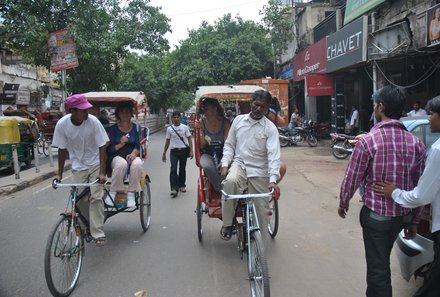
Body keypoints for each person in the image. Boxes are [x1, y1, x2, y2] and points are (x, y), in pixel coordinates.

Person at [338, 85, 426, 297]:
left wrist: (343, 202)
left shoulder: (368, 141)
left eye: (375, 105)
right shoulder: (416, 144)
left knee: (378, 271)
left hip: (376, 217)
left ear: (381, 107)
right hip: (402, 217)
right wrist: (414, 221)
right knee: (380, 262)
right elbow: (420, 187)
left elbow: (352, 177)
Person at [374, 95, 440, 297]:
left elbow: (422, 195)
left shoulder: (437, 151)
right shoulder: (420, 145)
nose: (429, 118)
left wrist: (394, 192)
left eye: (432, 114)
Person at [220, 90, 281, 241]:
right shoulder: (238, 121)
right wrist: (225, 164)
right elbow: (229, 145)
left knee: (262, 213)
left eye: (264, 107)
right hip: (239, 165)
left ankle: (260, 256)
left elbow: (274, 155)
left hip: (260, 170)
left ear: (267, 109)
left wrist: (273, 179)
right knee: (229, 183)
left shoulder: (270, 128)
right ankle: (227, 224)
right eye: (256, 104)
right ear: (251, 103)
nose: (259, 109)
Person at [52, 94, 109, 246]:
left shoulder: (93, 122)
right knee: (79, 199)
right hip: (78, 165)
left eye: (86, 110)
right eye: (83, 110)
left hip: (95, 163)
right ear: (73, 111)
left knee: (96, 196)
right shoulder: (62, 125)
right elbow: (62, 149)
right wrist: (59, 174)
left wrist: (102, 172)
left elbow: (102, 146)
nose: (86, 113)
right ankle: (84, 228)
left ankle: (98, 232)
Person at [105, 102, 143, 208]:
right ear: (118, 114)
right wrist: (121, 144)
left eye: (127, 112)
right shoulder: (112, 129)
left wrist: (133, 154)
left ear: (131, 113)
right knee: (121, 164)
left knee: (138, 164)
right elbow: (109, 149)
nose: (125, 114)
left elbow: (138, 145)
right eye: (122, 112)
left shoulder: (136, 128)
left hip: (131, 155)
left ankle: (131, 194)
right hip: (116, 156)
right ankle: (113, 193)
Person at [196, 98, 231, 192]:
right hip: (208, 153)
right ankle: (220, 190)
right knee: (206, 166)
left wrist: (224, 160)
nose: (204, 112)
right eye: (203, 109)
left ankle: (231, 187)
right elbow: (202, 144)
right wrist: (200, 130)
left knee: (230, 165)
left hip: (224, 152)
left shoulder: (226, 123)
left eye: (206, 109)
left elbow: (227, 143)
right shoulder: (201, 123)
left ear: (215, 109)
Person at [162, 111, 194, 198]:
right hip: (174, 151)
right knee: (173, 168)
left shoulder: (185, 127)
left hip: (183, 151)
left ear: (180, 118)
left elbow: (189, 139)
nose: (176, 119)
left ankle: (182, 185)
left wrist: (191, 151)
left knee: (182, 169)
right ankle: (174, 188)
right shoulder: (169, 129)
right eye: (174, 117)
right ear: (172, 118)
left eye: (177, 117)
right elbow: (167, 141)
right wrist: (164, 152)